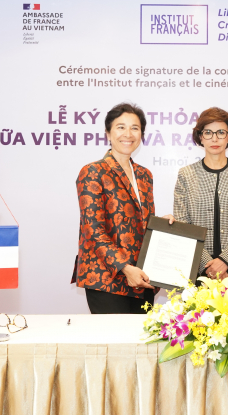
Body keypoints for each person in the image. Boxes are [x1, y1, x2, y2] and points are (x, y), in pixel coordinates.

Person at [73, 102, 157, 314]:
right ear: (108, 133)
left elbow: (143, 224)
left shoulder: (145, 175)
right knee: (113, 336)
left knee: (142, 336)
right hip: (106, 278)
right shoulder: (93, 171)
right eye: (121, 127)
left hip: (141, 278)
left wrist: (163, 225)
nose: (128, 134)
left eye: (135, 128)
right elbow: (93, 230)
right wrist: (125, 269)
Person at [173, 107, 228, 282]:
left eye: (220, 132)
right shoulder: (186, 175)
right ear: (200, 137)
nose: (214, 138)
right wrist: (207, 264)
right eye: (208, 132)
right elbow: (183, 224)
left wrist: (225, 261)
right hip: (198, 265)